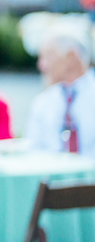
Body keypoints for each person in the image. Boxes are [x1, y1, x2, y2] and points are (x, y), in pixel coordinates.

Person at [25, 27, 94, 159]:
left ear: (71, 57)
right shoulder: (42, 103)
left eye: (48, 57)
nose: (41, 65)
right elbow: (33, 153)